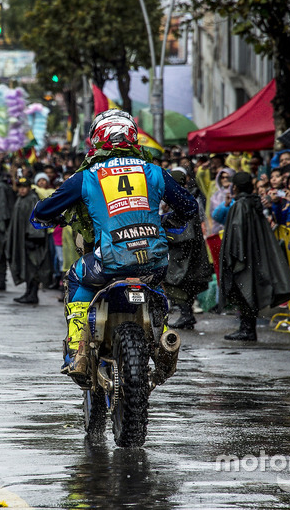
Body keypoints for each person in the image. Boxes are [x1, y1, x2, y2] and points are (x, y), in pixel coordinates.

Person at [32, 109, 199, 379]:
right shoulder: (154, 171)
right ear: (133, 136)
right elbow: (190, 207)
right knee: (156, 285)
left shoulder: (87, 176)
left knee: (77, 276)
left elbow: (44, 210)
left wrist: (48, 215)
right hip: (153, 262)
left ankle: (77, 350)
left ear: (97, 139)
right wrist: (168, 220)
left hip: (108, 263)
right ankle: (163, 341)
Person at [219, 172, 290, 341]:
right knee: (249, 289)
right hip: (255, 255)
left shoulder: (240, 205)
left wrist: (234, 256)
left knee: (244, 288)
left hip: (245, 255)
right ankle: (247, 328)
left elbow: (237, 233)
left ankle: (247, 329)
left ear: (236, 187)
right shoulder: (253, 203)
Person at [163, 167, 213, 329]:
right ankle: (187, 315)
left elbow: (185, 232)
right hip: (189, 251)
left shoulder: (181, 200)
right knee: (186, 283)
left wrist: (167, 233)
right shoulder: (187, 197)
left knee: (178, 283)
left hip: (183, 253)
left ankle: (186, 315)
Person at [7, 177, 51, 304]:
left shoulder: (32, 199)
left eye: (24, 187)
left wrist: (33, 237)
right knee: (26, 267)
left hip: (32, 241)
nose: (21, 190)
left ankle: (33, 294)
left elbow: (35, 219)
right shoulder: (21, 199)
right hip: (22, 239)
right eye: (20, 187)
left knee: (33, 266)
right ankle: (28, 292)